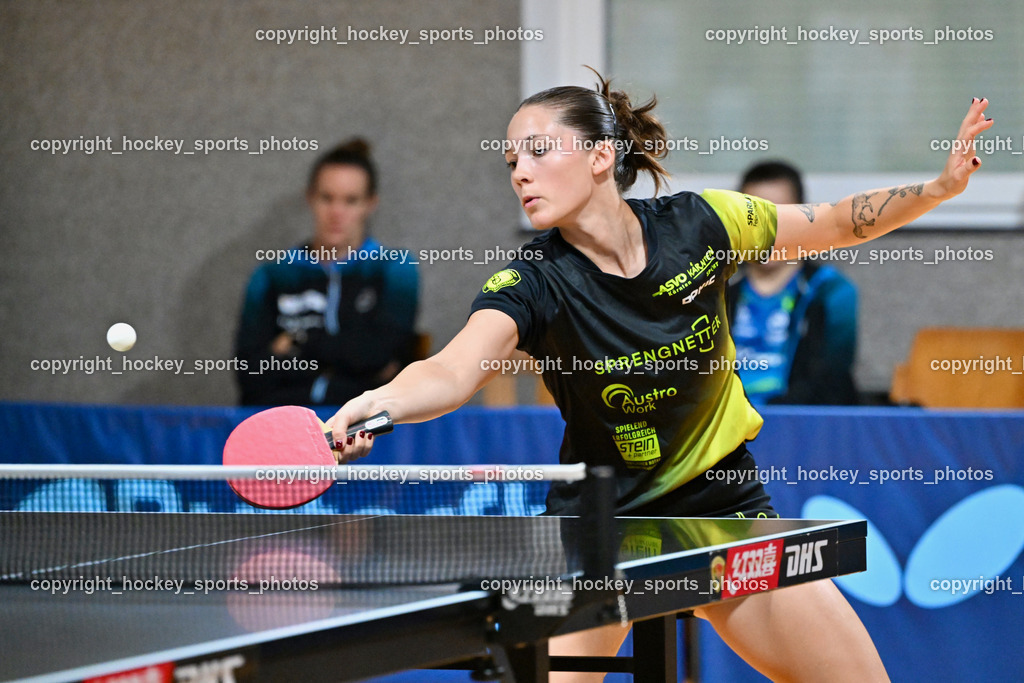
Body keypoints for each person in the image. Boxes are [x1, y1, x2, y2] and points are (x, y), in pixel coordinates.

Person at [327, 75, 992, 682]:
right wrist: (379, 403)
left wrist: (938, 190)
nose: (519, 173)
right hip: (598, 530)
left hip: (722, 512)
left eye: (536, 151)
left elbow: (837, 223)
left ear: (599, 156)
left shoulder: (704, 226)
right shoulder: (534, 282)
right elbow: (452, 369)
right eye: (511, 162)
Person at [235, 139, 419, 406]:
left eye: (351, 201)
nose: (336, 212)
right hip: (283, 422)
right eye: (327, 198)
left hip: (365, 427)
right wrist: (352, 358)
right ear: (310, 198)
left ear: (370, 204)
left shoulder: (395, 269)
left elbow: (385, 360)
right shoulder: (273, 275)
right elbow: (251, 376)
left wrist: (298, 340)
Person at [727, 161, 859, 404]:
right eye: (753, 216)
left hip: (799, 430)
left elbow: (831, 380)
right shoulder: (713, 293)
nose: (766, 228)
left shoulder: (831, 292)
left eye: (779, 214)